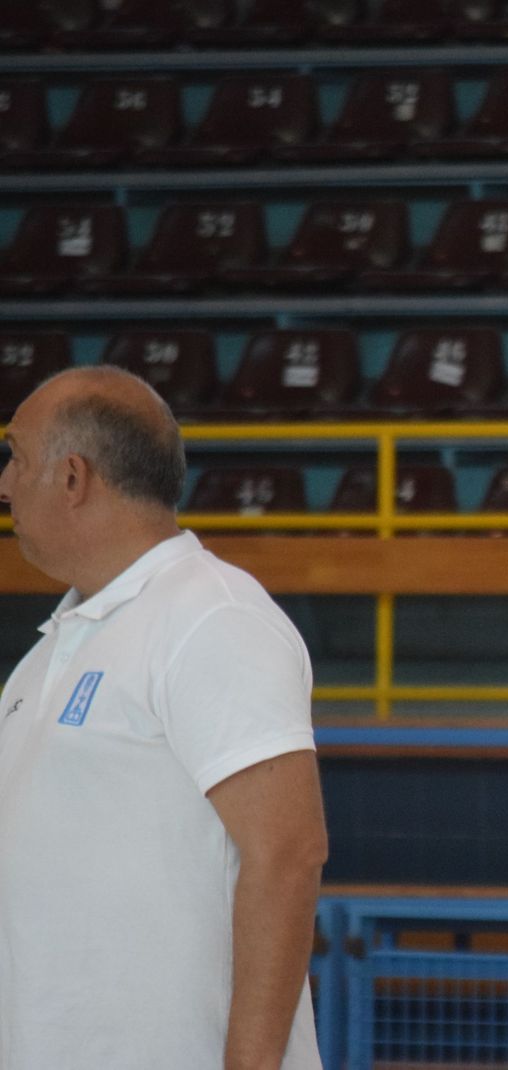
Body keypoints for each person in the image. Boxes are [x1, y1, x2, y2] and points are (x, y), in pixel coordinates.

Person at [0, 367, 327, 1069]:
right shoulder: (56, 645)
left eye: (17, 457)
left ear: (72, 478)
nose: (3, 483)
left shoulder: (211, 617)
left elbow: (288, 854)